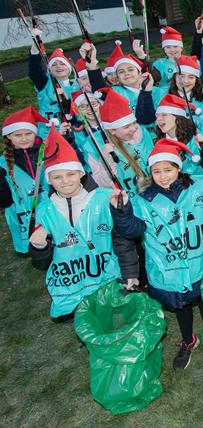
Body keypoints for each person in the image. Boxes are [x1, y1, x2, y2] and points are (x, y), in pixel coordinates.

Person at [111, 138, 203, 369]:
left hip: (201, 262)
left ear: (179, 167)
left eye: (168, 170)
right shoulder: (143, 200)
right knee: (180, 305)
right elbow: (131, 231)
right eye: (157, 171)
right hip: (168, 269)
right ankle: (188, 340)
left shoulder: (200, 188)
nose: (163, 176)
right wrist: (122, 212)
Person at [29, 129, 129, 319]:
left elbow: (126, 234)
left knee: (112, 318)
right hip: (72, 281)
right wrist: (39, 246)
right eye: (57, 177)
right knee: (89, 320)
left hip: (104, 275)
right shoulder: (44, 209)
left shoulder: (102, 198)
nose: (65, 181)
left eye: (70, 174)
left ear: (81, 173)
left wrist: (124, 211)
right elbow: (40, 254)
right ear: (49, 179)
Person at [0, 107, 50, 253]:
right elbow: (5, 202)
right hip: (23, 216)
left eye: (28, 133)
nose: (24, 138)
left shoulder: (48, 151)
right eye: (18, 135)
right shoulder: (3, 164)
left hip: (51, 210)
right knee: (39, 251)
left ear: (35, 132)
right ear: (9, 136)